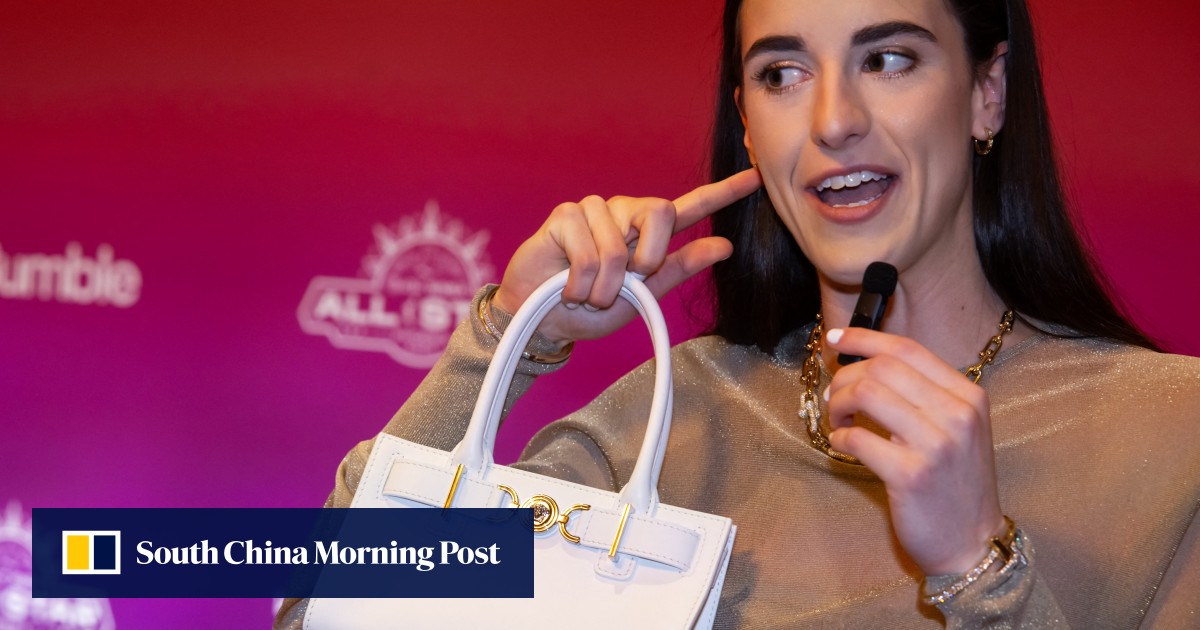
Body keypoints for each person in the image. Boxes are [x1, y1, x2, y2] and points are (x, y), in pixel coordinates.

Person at [278, 0, 1200, 627]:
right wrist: (510, 334)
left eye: (887, 58)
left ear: (986, 93)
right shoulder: (672, 418)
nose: (833, 118)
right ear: (750, 126)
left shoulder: (1173, 435)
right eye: (783, 73)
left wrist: (980, 568)